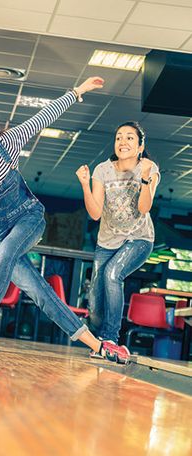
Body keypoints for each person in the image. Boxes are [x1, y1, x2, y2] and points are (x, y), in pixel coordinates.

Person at [0, 76, 131, 364]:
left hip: (29, 217)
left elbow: (43, 117)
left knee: (7, 252)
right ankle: (96, 345)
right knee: (39, 292)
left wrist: (77, 91)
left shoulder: (8, 143)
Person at [76, 121, 159, 356]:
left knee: (114, 274)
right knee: (95, 299)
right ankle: (98, 340)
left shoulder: (150, 170)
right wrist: (84, 184)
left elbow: (144, 208)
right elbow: (95, 214)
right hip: (107, 242)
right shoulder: (103, 170)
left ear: (140, 146)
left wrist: (144, 179)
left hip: (140, 238)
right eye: (119, 137)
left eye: (130, 138)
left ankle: (111, 338)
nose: (123, 141)